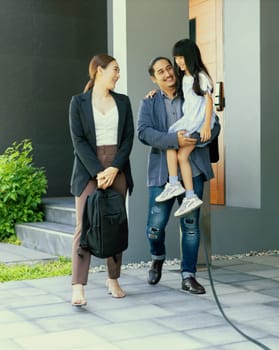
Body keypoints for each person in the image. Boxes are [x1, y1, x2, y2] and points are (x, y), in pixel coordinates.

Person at [137, 55, 220, 293]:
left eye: (168, 69)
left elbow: (214, 124)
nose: (167, 73)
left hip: (193, 170)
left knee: (191, 225)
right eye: (160, 72)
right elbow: (144, 133)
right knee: (155, 227)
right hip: (162, 172)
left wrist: (199, 137)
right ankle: (158, 256)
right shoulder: (149, 103)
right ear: (154, 79)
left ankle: (188, 275)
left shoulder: (190, 89)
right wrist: (174, 140)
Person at [69, 54, 134, 306]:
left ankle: (113, 279)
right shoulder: (78, 102)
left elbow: (128, 139)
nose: (118, 75)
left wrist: (114, 169)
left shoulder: (124, 102)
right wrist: (99, 171)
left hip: (118, 167)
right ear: (99, 70)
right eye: (115, 70)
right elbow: (79, 142)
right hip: (88, 168)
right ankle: (78, 285)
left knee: (114, 222)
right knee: (83, 225)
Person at [154, 39, 216, 218]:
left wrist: (206, 126)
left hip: (197, 123)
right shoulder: (185, 78)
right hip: (191, 120)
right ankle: (187, 193)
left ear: (190, 56)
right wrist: (154, 93)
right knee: (178, 152)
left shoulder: (200, 76)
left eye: (181, 57)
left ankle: (177, 186)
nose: (179, 62)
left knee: (173, 144)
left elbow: (209, 100)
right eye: (176, 58)